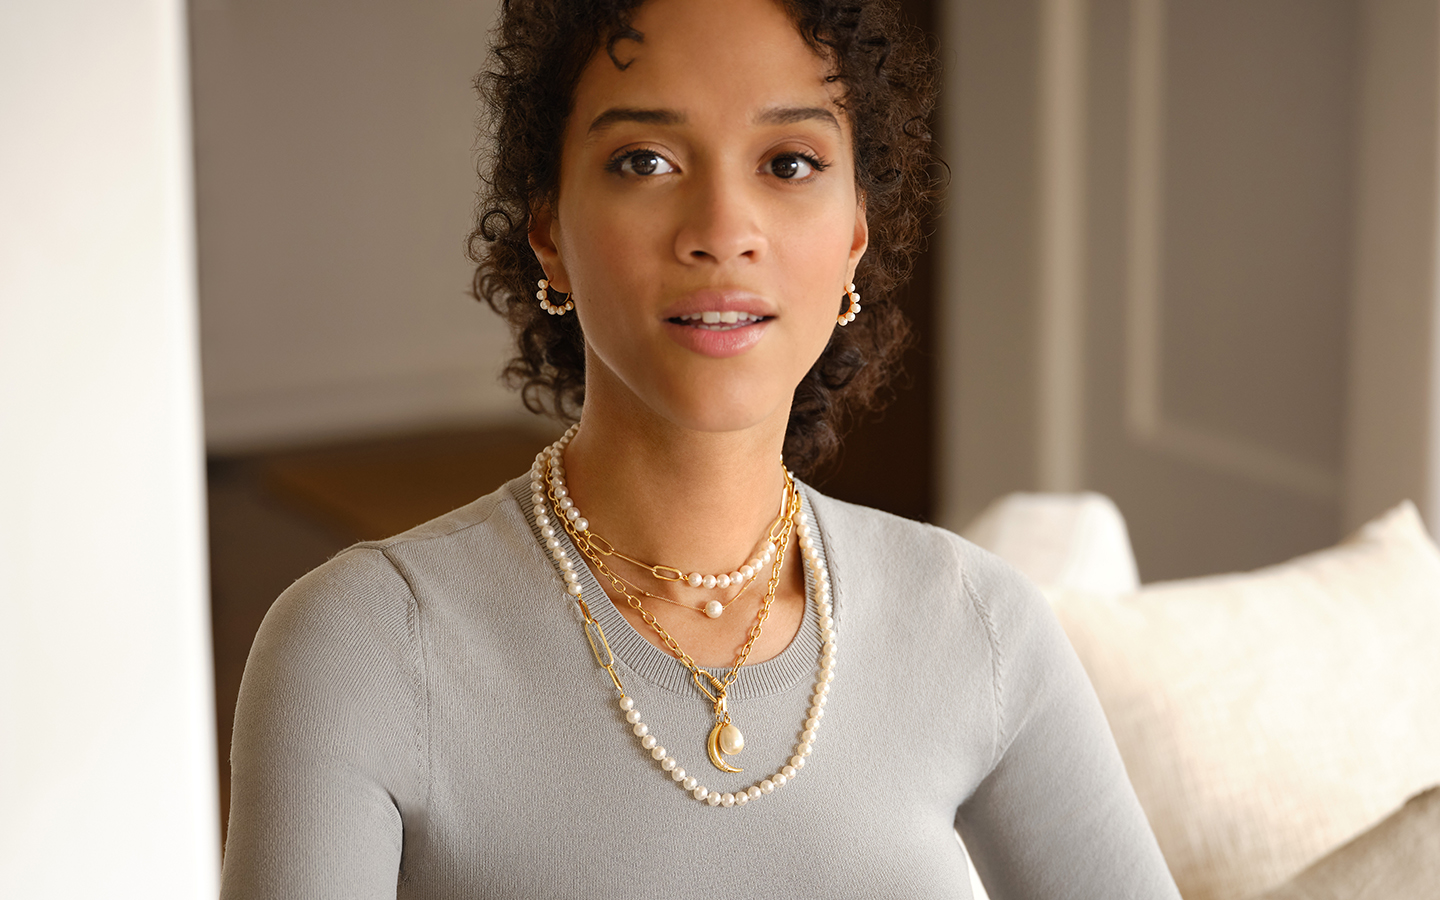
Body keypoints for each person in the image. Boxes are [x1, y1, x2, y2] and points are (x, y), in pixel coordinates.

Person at [219, 0, 1182, 896]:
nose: (724, 231)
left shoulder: (978, 625)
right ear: (548, 230)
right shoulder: (365, 649)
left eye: (790, 162)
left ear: (854, 232)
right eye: (645, 159)